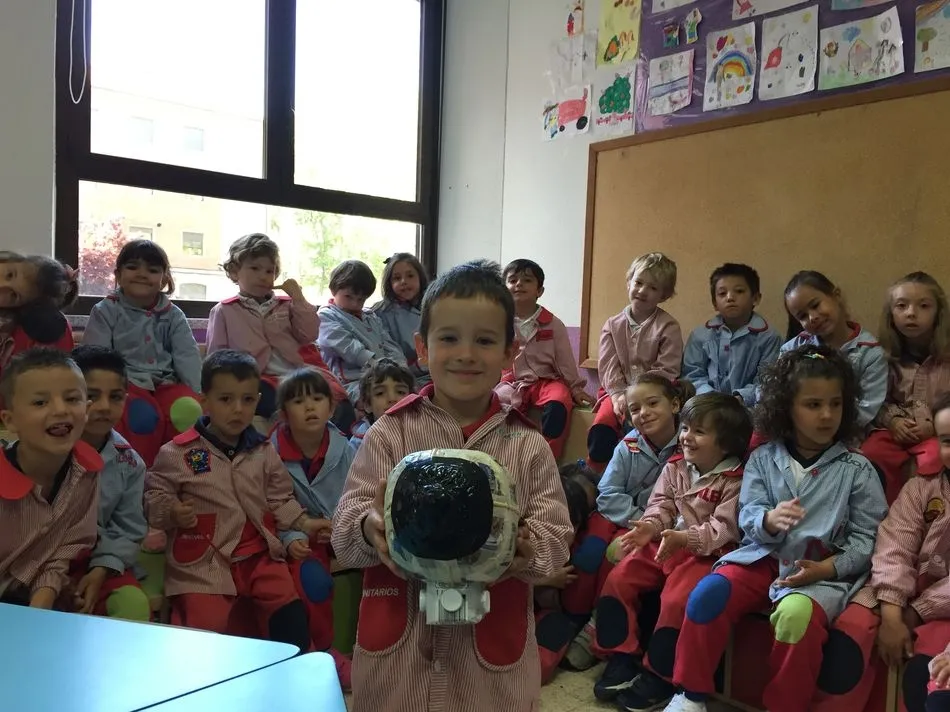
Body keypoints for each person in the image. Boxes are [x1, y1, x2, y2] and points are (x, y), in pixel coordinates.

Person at [331, 260, 573, 711]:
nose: (466, 354)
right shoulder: (390, 433)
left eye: (484, 340)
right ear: (422, 348)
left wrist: (528, 550)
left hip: (490, 670)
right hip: (399, 662)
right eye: (448, 338)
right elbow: (344, 532)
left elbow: (556, 538)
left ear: (509, 352)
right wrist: (368, 526)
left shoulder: (528, 445)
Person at [663, 344, 888, 712]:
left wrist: (827, 568)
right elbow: (749, 514)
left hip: (818, 573)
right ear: (786, 408)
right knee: (708, 594)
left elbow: (868, 539)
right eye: (813, 405)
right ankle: (690, 695)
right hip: (762, 557)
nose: (827, 414)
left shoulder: (857, 470)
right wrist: (767, 520)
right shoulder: (763, 458)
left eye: (835, 404)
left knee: (796, 618)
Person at [144, 349, 325, 648]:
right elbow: (154, 495)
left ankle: (297, 666)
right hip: (204, 559)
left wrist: (304, 523)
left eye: (247, 400)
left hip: (259, 556)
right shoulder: (177, 452)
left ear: (257, 400)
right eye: (226, 399)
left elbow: (280, 498)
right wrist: (172, 511)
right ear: (205, 401)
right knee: (207, 626)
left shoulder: (263, 451)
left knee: (288, 609)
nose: (238, 409)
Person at [592, 393, 752, 710]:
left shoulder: (735, 480)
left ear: (726, 443)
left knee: (677, 601)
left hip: (704, 553)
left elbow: (724, 529)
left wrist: (685, 538)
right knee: (620, 578)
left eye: (699, 432)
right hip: (664, 541)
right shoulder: (676, 465)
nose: (686, 437)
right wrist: (649, 527)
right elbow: (661, 505)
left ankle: (660, 675)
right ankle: (621, 655)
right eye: (686, 428)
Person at [812, 391, 950, 712]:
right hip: (892, 590)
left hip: (941, 607)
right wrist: (891, 612)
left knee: (924, 669)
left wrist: (917, 612)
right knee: (849, 638)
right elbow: (894, 545)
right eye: (947, 441)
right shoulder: (921, 486)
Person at [563, 373, 693, 621]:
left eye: (653, 403)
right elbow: (607, 494)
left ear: (675, 405)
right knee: (589, 553)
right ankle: (573, 617)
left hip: (657, 525)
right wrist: (640, 519)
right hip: (617, 515)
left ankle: (598, 622)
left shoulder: (688, 447)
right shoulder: (627, 446)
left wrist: (651, 525)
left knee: (617, 557)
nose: (644, 413)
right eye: (635, 409)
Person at [206, 233, 349, 423]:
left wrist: (299, 298)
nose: (263, 276)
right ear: (234, 272)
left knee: (341, 404)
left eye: (269, 271)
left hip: (300, 371)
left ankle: (334, 437)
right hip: (257, 378)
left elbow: (309, 334)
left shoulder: (288, 304)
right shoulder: (224, 310)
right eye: (255, 268)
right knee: (267, 400)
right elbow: (216, 357)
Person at [82, 240, 202, 466]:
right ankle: (138, 473)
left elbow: (187, 356)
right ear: (118, 275)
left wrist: (197, 392)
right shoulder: (106, 310)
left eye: (152, 270)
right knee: (142, 418)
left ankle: (182, 472)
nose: (142, 274)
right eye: (132, 267)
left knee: (189, 411)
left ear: (164, 280)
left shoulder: (173, 315)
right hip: (127, 384)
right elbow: (97, 357)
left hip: (166, 384)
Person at [270, 366, 354, 688]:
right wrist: (294, 535)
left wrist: (343, 525)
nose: (309, 407)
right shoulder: (270, 453)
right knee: (312, 580)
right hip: (300, 538)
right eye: (298, 401)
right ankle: (323, 651)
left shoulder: (344, 449)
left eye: (317, 399)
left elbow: (358, 492)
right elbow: (270, 505)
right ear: (283, 414)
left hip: (343, 531)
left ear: (331, 408)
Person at [0, 348, 100, 608]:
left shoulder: (87, 473)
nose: (60, 410)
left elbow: (58, 555)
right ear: (10, 421)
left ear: (87, 410)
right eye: (40, 403)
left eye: (72, 399)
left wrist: (38, 615)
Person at [68, 345, 150, 621]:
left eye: (115, 397)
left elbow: (127, 528)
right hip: (38, 560)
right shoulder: (46, 449)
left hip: (100, 559)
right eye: (91, 396)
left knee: (132, 604)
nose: (104, 407)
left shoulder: (131, 463)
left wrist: (102, 569)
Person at [588, 253, 682, 470]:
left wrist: (637, 396)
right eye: (638, 283)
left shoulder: (668, 326)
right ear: (629, 282)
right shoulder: (612, 325)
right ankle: (597, 474)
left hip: (654, 393)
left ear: (664, 295)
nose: (642, 291)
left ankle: (647, 474)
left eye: (653, 287)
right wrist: (617, 395)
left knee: (647, 428)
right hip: (616, 392)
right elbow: (608, 366)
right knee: (602, 426)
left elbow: (667, 368)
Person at [863, 271, 950, 503]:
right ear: (891, 314)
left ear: (938, 312)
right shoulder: (882, 357)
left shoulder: (946, 358)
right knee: (872, 452)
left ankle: (928, 514)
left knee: (935, 457)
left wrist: (933, 425)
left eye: (924, 306)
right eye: (901, 306)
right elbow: (876, 401)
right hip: (895, 432)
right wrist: (894, 422)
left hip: (937, 432)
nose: (911, 313)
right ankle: (889, 513)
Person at [496, 259, 593, 460]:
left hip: (547, 381)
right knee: (498, 402)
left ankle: (548, 459)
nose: (519, 284)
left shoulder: (553, 324)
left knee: (559, 402)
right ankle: (504, 456)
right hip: (511, 381)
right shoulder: (498, 322)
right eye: (512, 280)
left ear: (539, 291)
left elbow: (565, 360)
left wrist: (575, 388)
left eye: (527, 280)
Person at [782, 270, 887, 431]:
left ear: (836, 295)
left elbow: (866, 408)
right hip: (799, 431)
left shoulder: (870, 353)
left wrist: (828, 430)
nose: (812, 317)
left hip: (846, 433)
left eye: (815, 305)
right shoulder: (793, 348)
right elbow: (772, 390)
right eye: (802, 316)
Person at [682, 263, 781, 405]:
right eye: (722, 293)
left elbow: (767, 382)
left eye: (739, 291)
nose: (730, 298)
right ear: (714, 303)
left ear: (755, 298)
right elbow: (692, 375)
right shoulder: (700, 335)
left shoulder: (769, 337)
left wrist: (740, 398)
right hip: (706, 407)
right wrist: (712, 398)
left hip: (749, 409)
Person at [535, 460, 598, 683]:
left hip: (546, 616)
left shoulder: (579, 547)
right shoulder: (525, 533)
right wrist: (544, 579)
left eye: (574, 523)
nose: (565, 531)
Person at [317, 260, 407, 405]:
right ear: (333, 290)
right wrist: (376, 365)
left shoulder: (371, 316)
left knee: (409, 395)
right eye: (348, 297)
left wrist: (401, 367)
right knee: (380, 400)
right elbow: (347, 346)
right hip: (351, 383)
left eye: (361, 299)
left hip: (384, 377)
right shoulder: (326, 316)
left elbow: (388, 343)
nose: (354, 304)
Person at [0, 251, 79, 374]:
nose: (1, 286)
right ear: (8, 260)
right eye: (10, 275)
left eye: (13, 295)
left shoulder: (10, 331)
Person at [371, 252, 430, 388]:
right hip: (401, 377)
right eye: (397, 278)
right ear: (389, 283)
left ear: (420, 278)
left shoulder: (432, 306)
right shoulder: (380, 313)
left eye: (410, 276)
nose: (404, 281)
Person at [348, 358, 415, 452]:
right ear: (367, 404)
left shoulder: (422, 430)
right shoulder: (359, 444)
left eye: (400, 392)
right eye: (380, 393)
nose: (392, 398)